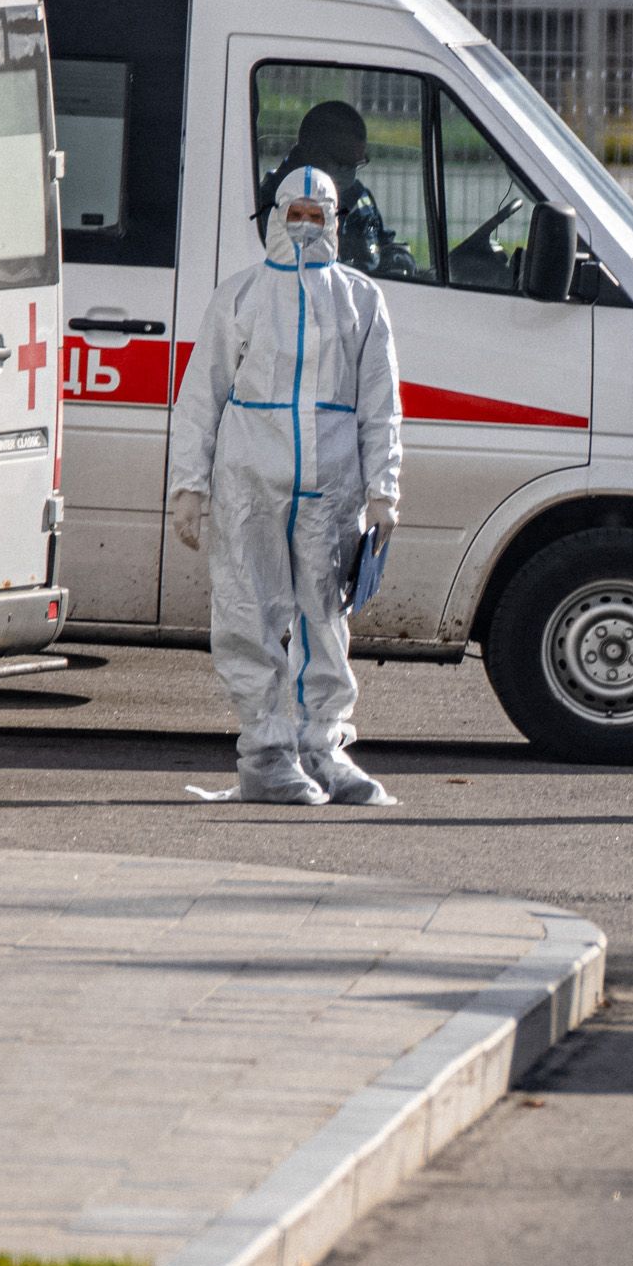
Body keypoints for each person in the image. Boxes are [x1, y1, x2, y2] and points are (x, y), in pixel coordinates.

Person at [169, 169, 404, 805]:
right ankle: (266, 754)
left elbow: (381, 405)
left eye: (316, 215)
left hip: (330, 493)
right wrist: (189, 488)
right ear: (276, 217)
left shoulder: (359, 300)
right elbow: (202, 395)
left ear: (334, 220)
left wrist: (383, 491)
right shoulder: (240, 296)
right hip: (250, 486)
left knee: (325, 622)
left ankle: (321, 750)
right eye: (294, 214)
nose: (304, 226)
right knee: (250, 614)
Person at [258, 100, 411, 280]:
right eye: (342, 164)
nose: (350, 174)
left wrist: (398, 261)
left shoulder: (359, 197)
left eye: (356, 164)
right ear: (311, 151)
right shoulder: (276, 199)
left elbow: (385, 244)